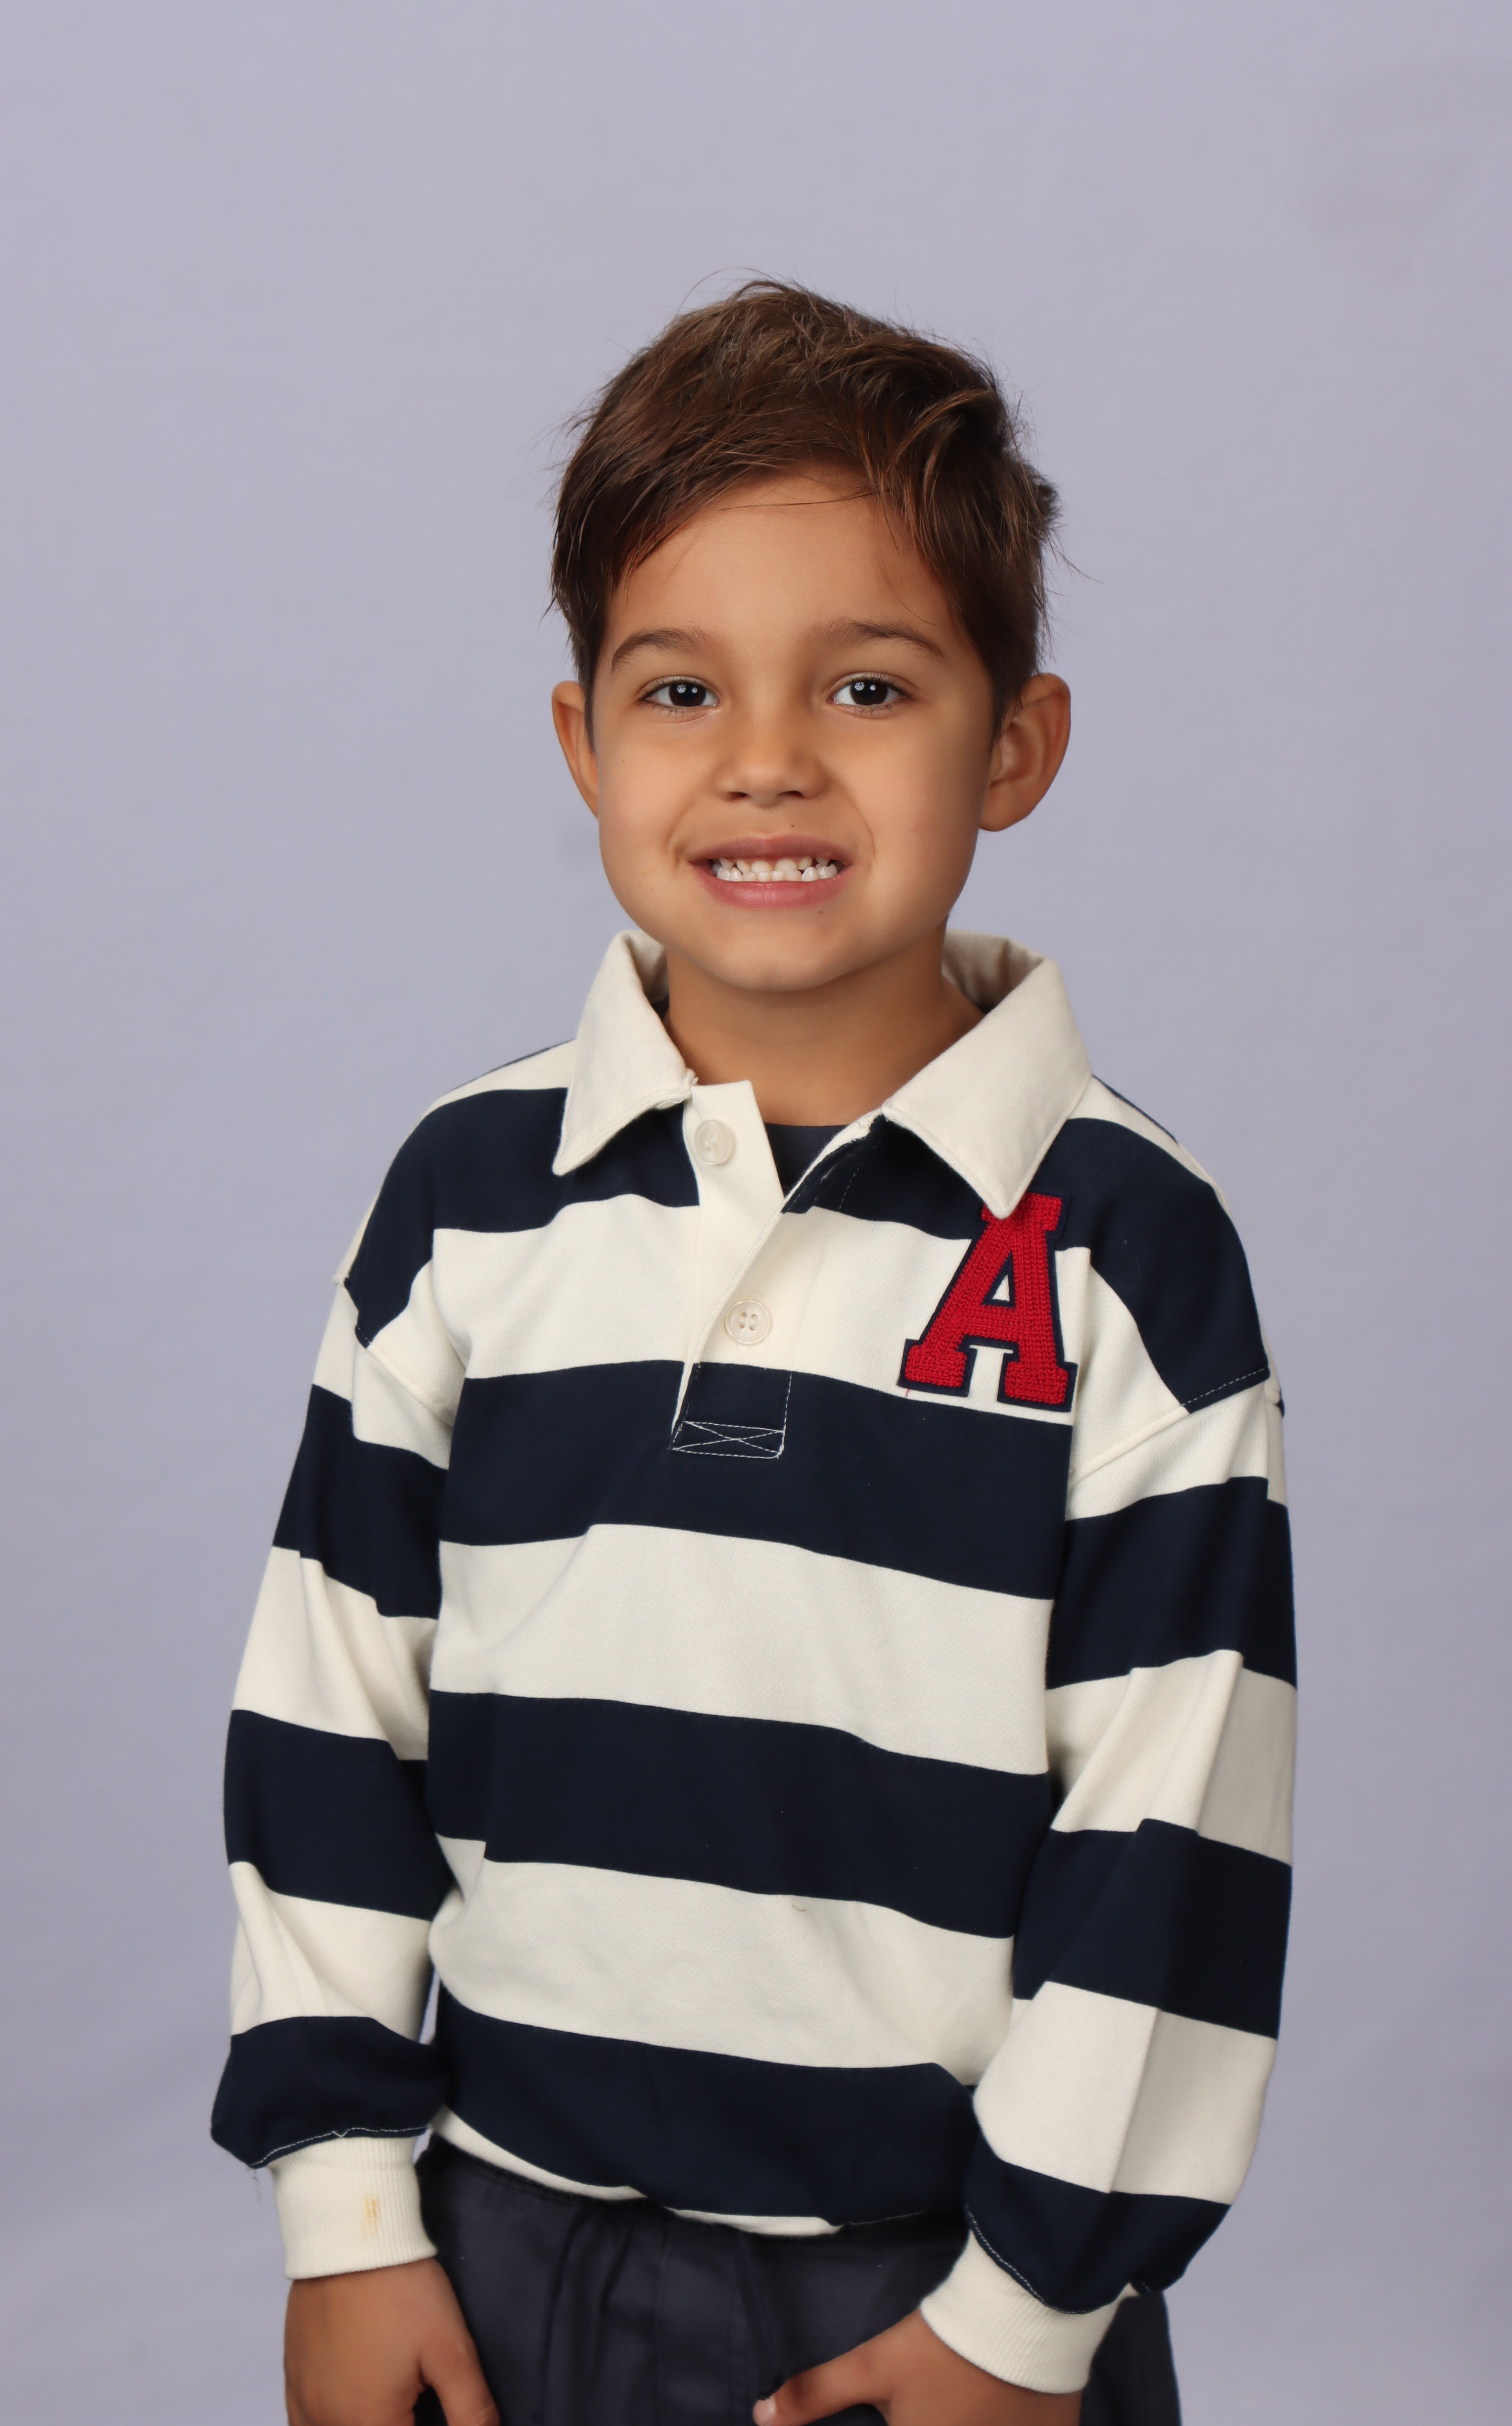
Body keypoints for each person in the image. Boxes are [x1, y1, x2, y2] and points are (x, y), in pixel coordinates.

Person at [211, 282, 1294, 2426]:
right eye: (682, 687)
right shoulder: (467, 1202)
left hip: (936, 2282)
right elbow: (329, 1710)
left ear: (1013, 744)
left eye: (866, 685)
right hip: (499, 2244)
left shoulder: (1124, 1251)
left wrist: (1024, 2320)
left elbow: (1174, 1827)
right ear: (584, 743)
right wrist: (345, 2211)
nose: (766, 758)